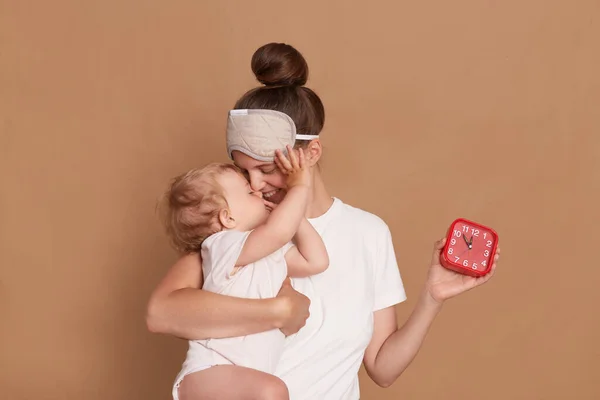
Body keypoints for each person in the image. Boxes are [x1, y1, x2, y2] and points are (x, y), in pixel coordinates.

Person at [146, 42, 502, 400]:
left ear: (310, 153)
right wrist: (276, 311)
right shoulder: (237, 230)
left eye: (267, 169)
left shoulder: (368, 234)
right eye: (244, 171)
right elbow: (161, 313)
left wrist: (431, 297)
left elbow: (382, 368)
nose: (255, 184)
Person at [157, 148, 329, 400]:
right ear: (227, 219)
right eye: (249, 193)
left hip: (241, 378)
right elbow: (277, 232)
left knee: (271, 388)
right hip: (210, 370)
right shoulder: (221, 246)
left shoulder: (267, 251)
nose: (258, 191)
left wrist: (293, 215)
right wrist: (299, 188)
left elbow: (316, 261)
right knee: (272, 391)